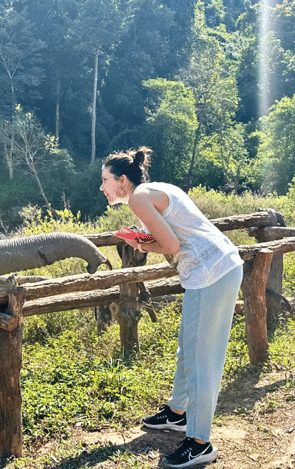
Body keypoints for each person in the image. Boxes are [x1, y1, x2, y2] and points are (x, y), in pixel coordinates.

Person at [100, 146, 243, 469]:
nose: (102, 187)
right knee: (187, 348)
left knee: (200, 357)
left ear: (122, 180)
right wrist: (144, 238)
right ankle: (176, 413)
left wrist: (137, 243)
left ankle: (200, 442)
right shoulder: (156, 190)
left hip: (211, 272)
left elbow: (172, 245)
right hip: (214, 267)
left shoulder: (139, 198)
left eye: (105, 179)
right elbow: (177, 235)